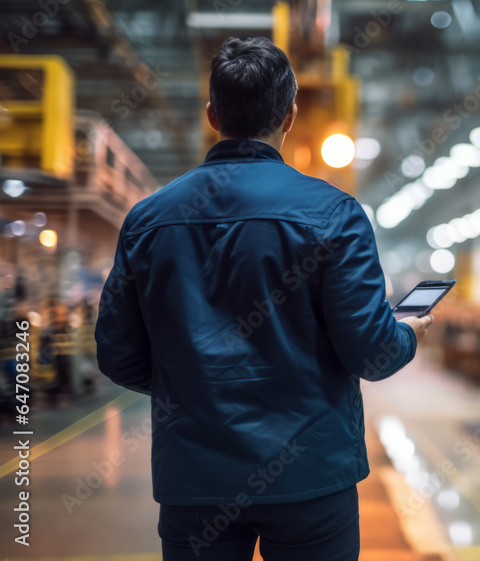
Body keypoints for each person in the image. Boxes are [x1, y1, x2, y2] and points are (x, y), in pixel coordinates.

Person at [95, 36, 433, 561]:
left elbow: (118, 353)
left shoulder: (148, 220)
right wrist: (407, 333)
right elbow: (372, 353)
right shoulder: (335, 215)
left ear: (212, 114)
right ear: (290, 115)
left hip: (195, 481)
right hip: (311, 479)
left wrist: (191, 387)